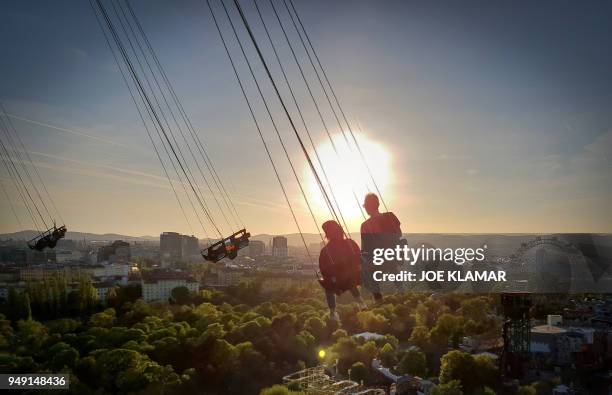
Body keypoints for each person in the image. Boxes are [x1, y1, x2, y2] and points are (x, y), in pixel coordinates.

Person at [318, 220, 366, 321]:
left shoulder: (326, 250)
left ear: (327, 234)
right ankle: (360, 301)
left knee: (328, 285)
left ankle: (332, 312)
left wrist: (332, 275)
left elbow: (323, 269)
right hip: (353, 276)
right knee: (350, 279)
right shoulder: (350, 243)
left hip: (337, 281)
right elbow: (359, 258)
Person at [360, 193, 404, 303]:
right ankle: (400, 288)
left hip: (379, 258)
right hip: (394, 255)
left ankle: (378, 299)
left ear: (367, 207)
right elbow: (399, 234)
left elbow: (365, 248)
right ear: (378, 204)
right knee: (391, 265)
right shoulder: (390, 216)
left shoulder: (365, 225)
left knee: (367, 274)